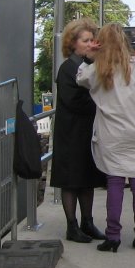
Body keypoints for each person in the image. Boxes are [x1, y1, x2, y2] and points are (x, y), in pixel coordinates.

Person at [76, 23, 135, 252]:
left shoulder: (97, 69)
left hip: (111, 136)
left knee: (115, 183)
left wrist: (89, 56)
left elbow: (80, 78)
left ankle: (113, 236)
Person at [49, 18, 107, 244]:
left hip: (86, 130)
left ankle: (87, 222)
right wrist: (100, 103)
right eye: (86, 40)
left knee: (87, 178)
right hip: (71, 132)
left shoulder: (87, 65)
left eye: (92, 40)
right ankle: (72, 225)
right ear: (73, 43)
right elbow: (73, 100)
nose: (90, 44)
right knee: (71, 179)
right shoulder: (67, 68)